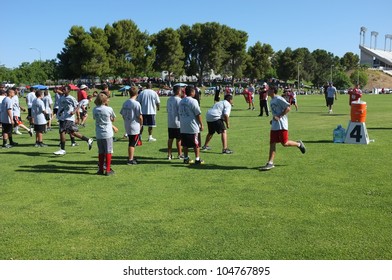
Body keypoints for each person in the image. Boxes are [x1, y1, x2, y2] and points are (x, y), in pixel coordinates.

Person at [259, 86, 306, 171]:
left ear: (273, 90)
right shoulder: (272, 100)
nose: (267, 91)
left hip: (282, 125)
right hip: (275, 125)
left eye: (268, 90)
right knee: (272, 143)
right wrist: (273, 119)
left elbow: (288, 108)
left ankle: (299, 144)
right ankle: (270, 163)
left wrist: (279, 116)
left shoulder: (279, 99)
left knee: (284, 143)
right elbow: (276, 112)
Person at [53, 85, 94, 156]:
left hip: (68, 118)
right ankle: (88, 140)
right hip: (62, 117)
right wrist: (60, 112)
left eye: (65, 90)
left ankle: (62, 150)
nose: (63, 91)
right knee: (72, 133)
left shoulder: (71, 98)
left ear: (69, 91)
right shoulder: (62, 97)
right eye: (63, 90)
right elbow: (64, 106)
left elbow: (78, 105)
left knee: (62, 131)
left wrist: (74, 112)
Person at [179, 85, 204, 164]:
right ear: (192, 92)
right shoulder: (193, 101)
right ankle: (197, 159)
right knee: (196, 143)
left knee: (185, 144)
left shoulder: (181, 101)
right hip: (192, 125)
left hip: (183, 125)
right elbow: (198, 114)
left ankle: (186, 158)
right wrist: (201, 124)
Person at [93, 92, 116, 175]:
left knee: (101, 152)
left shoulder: (95, 109)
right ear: (105, 100)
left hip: (99, 133)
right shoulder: (109, 109)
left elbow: (95, 118)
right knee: (108, 151)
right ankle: (108, 169)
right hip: (107, 133)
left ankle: (101, 169)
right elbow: (113, 119)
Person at [120, 86, 143, 165]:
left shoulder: (125, 102)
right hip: (134, 125)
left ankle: (131, 156)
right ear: (137, 93)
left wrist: (127, 120)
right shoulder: (136, 104)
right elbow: (140, 116)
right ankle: (130, 159)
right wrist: (141, 124)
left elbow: (122, 114)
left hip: (128, 124)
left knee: (131, 141)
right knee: (132, 143)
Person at [166, 85, 183, 160]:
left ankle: (169, 154)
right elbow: (180, 111)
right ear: (178, 91)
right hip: (178, 122)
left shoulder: (169, 99)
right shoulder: (179, 100)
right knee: (179, 139)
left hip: (170, 121)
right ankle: (180, 154)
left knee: (170, 138)